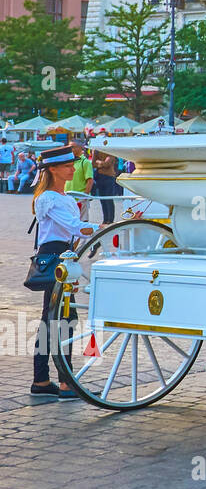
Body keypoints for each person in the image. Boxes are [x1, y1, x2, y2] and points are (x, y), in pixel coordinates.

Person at [28, 145, 94, 400]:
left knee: (55, 319)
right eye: (68, 165)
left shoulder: (65, 197)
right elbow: (76, 227)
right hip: (54, 257)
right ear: (52, 169)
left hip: (65, 257)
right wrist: (107, 227)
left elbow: (74, 232)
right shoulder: (47, 198)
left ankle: (43, 380)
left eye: (73, 164)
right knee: (63, 319)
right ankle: (63, 382)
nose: (73, 168)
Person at [90, 148, 121, 226]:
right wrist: (101, 163)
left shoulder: (110, 150)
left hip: (109, 177)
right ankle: (105, 219)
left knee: (108, 199)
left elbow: (107, 164)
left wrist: (99, 162)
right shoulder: (96, 150)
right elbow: (93, 164)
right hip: (100, 177)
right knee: (102, 200)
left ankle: (110, 220)